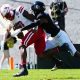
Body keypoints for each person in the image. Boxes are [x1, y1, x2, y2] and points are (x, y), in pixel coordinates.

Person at [16, 0, 80, 76]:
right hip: (53, 39)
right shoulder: (41, 15)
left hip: (61, 36)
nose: (32, 11)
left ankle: (62, 48)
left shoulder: (42, 15)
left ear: (37, 8)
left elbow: (35, 24)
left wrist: (21, 29)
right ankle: (59, 55)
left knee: (75, 54)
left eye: (33, 9)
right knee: (41, 51)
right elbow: (36, 27)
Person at [0, 4, 63, 77]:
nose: (8, 17)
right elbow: (21, 37)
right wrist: (17, 31)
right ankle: (58, 57)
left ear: (10, 10)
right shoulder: (12, 23)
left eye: (8, 15)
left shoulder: (19, 10)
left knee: (22, 46)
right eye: (6, 16)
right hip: (37, 33)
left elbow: (33, 17)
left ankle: (24, 69)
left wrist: (35, 26)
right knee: (40, 54)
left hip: (36, 29)